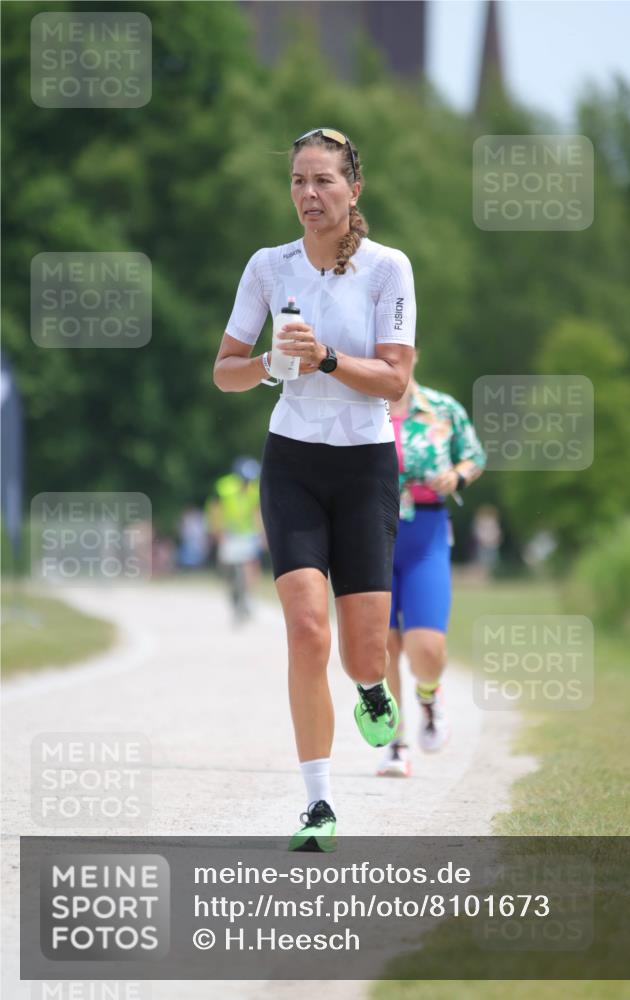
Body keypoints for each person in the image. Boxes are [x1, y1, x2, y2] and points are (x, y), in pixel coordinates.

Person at [213, 127, 415, 850]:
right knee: (305, 629)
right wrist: (270, 364)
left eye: (324, 180)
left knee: (363, 652)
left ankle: (370, 685)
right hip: (292, 460)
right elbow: (224, 369)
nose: (309, 194)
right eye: (298, 180)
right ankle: (319, 805)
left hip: (365, 466)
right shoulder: (270, 267)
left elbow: (394, 379)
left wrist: (327, 359)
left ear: (353, 189)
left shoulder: (389, 269)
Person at [378, 352, 486, 778]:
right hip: (372, 532)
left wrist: (456, 476)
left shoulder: (442, 408)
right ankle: (394, 743)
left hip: (426, 535)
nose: (390, 358)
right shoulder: (360, 405)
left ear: (414, 354)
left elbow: (474, 455)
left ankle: (428, 694)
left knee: (427, 649)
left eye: (398, 350)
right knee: (382, 647)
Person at [206, 457, 263, 621]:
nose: (246, 483)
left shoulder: (254, 489)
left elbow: (256, 511)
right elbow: (215, 509)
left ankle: (249, 597)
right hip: (228, 532)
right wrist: (217, 530)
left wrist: (260, 533)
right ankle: (234, 593)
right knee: (228, 568)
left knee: (250, 564)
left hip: (247, 533)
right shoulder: (224, 486)